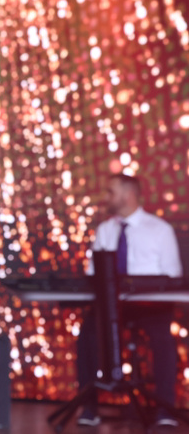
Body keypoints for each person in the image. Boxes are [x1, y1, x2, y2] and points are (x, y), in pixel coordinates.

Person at [76, 173, 183, 428]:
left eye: (111, 192)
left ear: (128, 195)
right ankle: (89, 407)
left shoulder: (160, 230)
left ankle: (164, 408)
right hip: (112, 306)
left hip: (150, 306)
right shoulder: (105, 230)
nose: (106, 197)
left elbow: (174, 276)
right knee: (88, 334)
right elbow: (94, 273)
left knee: (163, 339)